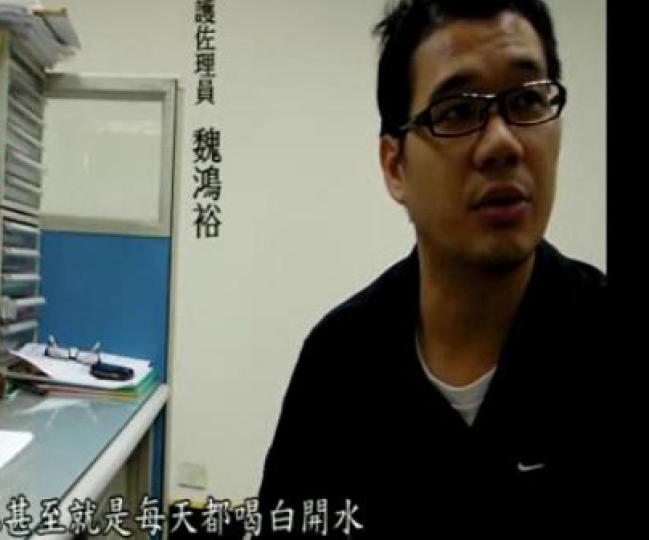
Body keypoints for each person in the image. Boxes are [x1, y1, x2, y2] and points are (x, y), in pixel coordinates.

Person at [255, 0, 607, 537]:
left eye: (527, 101)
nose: (503, 143)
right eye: (457, 112)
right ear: (395, 165)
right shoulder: (339, 365)